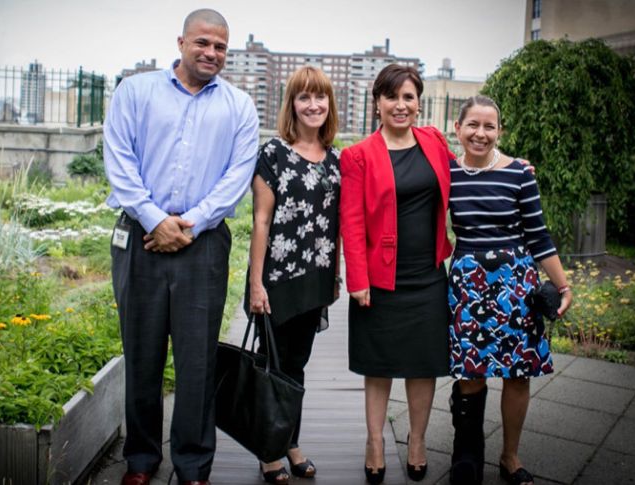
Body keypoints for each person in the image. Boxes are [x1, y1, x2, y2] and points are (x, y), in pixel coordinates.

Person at [103, 9, 259, 485]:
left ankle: (193, 463)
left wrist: (186, 224)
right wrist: (156, 220)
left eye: (220, 47)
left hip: (204, 244)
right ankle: (142, 459)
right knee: (142, 354)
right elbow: (119, 157)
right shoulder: (136, 91)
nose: (211, 53)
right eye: (203, 43)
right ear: (181, 42)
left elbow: (237, 176)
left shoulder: (239, 105)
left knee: (198, 361)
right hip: (140, 238)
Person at [446, 95, 573, 485]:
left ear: (499, 131)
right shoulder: (446, 173)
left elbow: (538, 234)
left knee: (518, 374)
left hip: (516, 284)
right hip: (468, 285)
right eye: (473, 125)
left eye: (489, 126)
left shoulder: (519, 173)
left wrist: (562, 284)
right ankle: (468, 456)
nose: (480, 133)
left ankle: (510, 457)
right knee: (472, 374)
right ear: (458, 128)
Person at [339, 64, 454, 484]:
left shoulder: (435, 142)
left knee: (423, 365)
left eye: (408, 97)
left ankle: (418, 441)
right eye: (392, 97)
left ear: (418, 101)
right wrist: (357, 280)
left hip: (428, 275)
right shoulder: (358, 155)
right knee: (380, 364)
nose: (401, 105)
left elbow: (466, 176)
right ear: (378, 103)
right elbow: (350, 221)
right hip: (380, 280)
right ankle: (375, 442)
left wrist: (510, 167)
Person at [244, 65, 341, 484]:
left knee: (296, 366)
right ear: (292, 104)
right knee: (272, 366)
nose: (313, 104)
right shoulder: (274, 154)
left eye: (320, 97)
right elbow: (261, 221)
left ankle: (291, 442)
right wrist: (255, 283)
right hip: (278, 279)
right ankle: (269, 453)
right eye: (304, 97)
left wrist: (334, 276)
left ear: (329, 104)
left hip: (315, 279)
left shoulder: (336, 159)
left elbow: (336, 222)